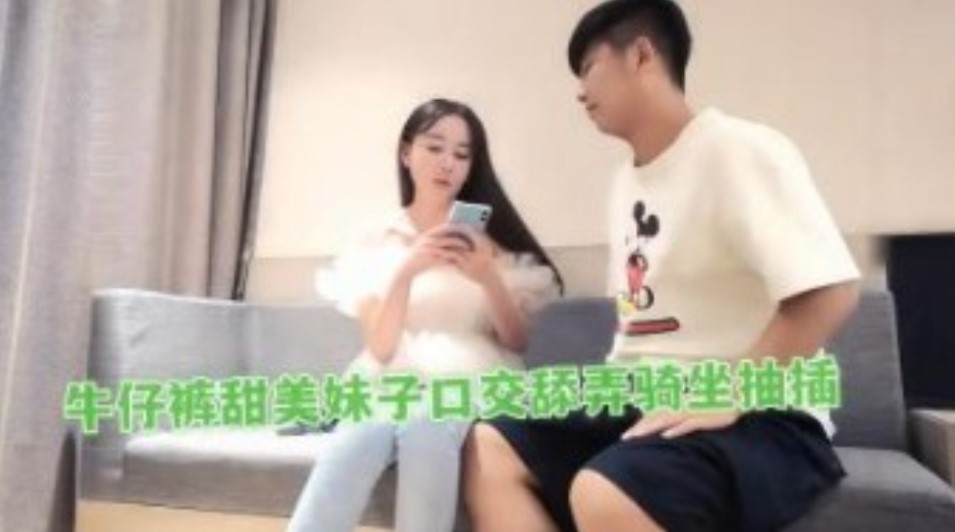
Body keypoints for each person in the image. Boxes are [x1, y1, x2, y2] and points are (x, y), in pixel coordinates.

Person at [463, 1, 861, 531]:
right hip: (644, 394)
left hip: (766, 412)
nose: (580, 92)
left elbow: (831, 291)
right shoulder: (624, 183)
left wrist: (733, 391)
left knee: (603, 492)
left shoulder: (736, 149)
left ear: (642, 55)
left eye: (588, 68)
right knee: (487, 446)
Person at [285, 98, 562, 532]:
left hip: (473, 378)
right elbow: (381, 347)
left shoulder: (488, 243)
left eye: (462, 154)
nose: (447, 163)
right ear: (406, 152)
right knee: (359, 434)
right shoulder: (376, 240)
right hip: (390, 379)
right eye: (434, 147)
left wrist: (487, 277)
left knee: (426, 423)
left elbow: (516, 340)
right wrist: (407, 271)